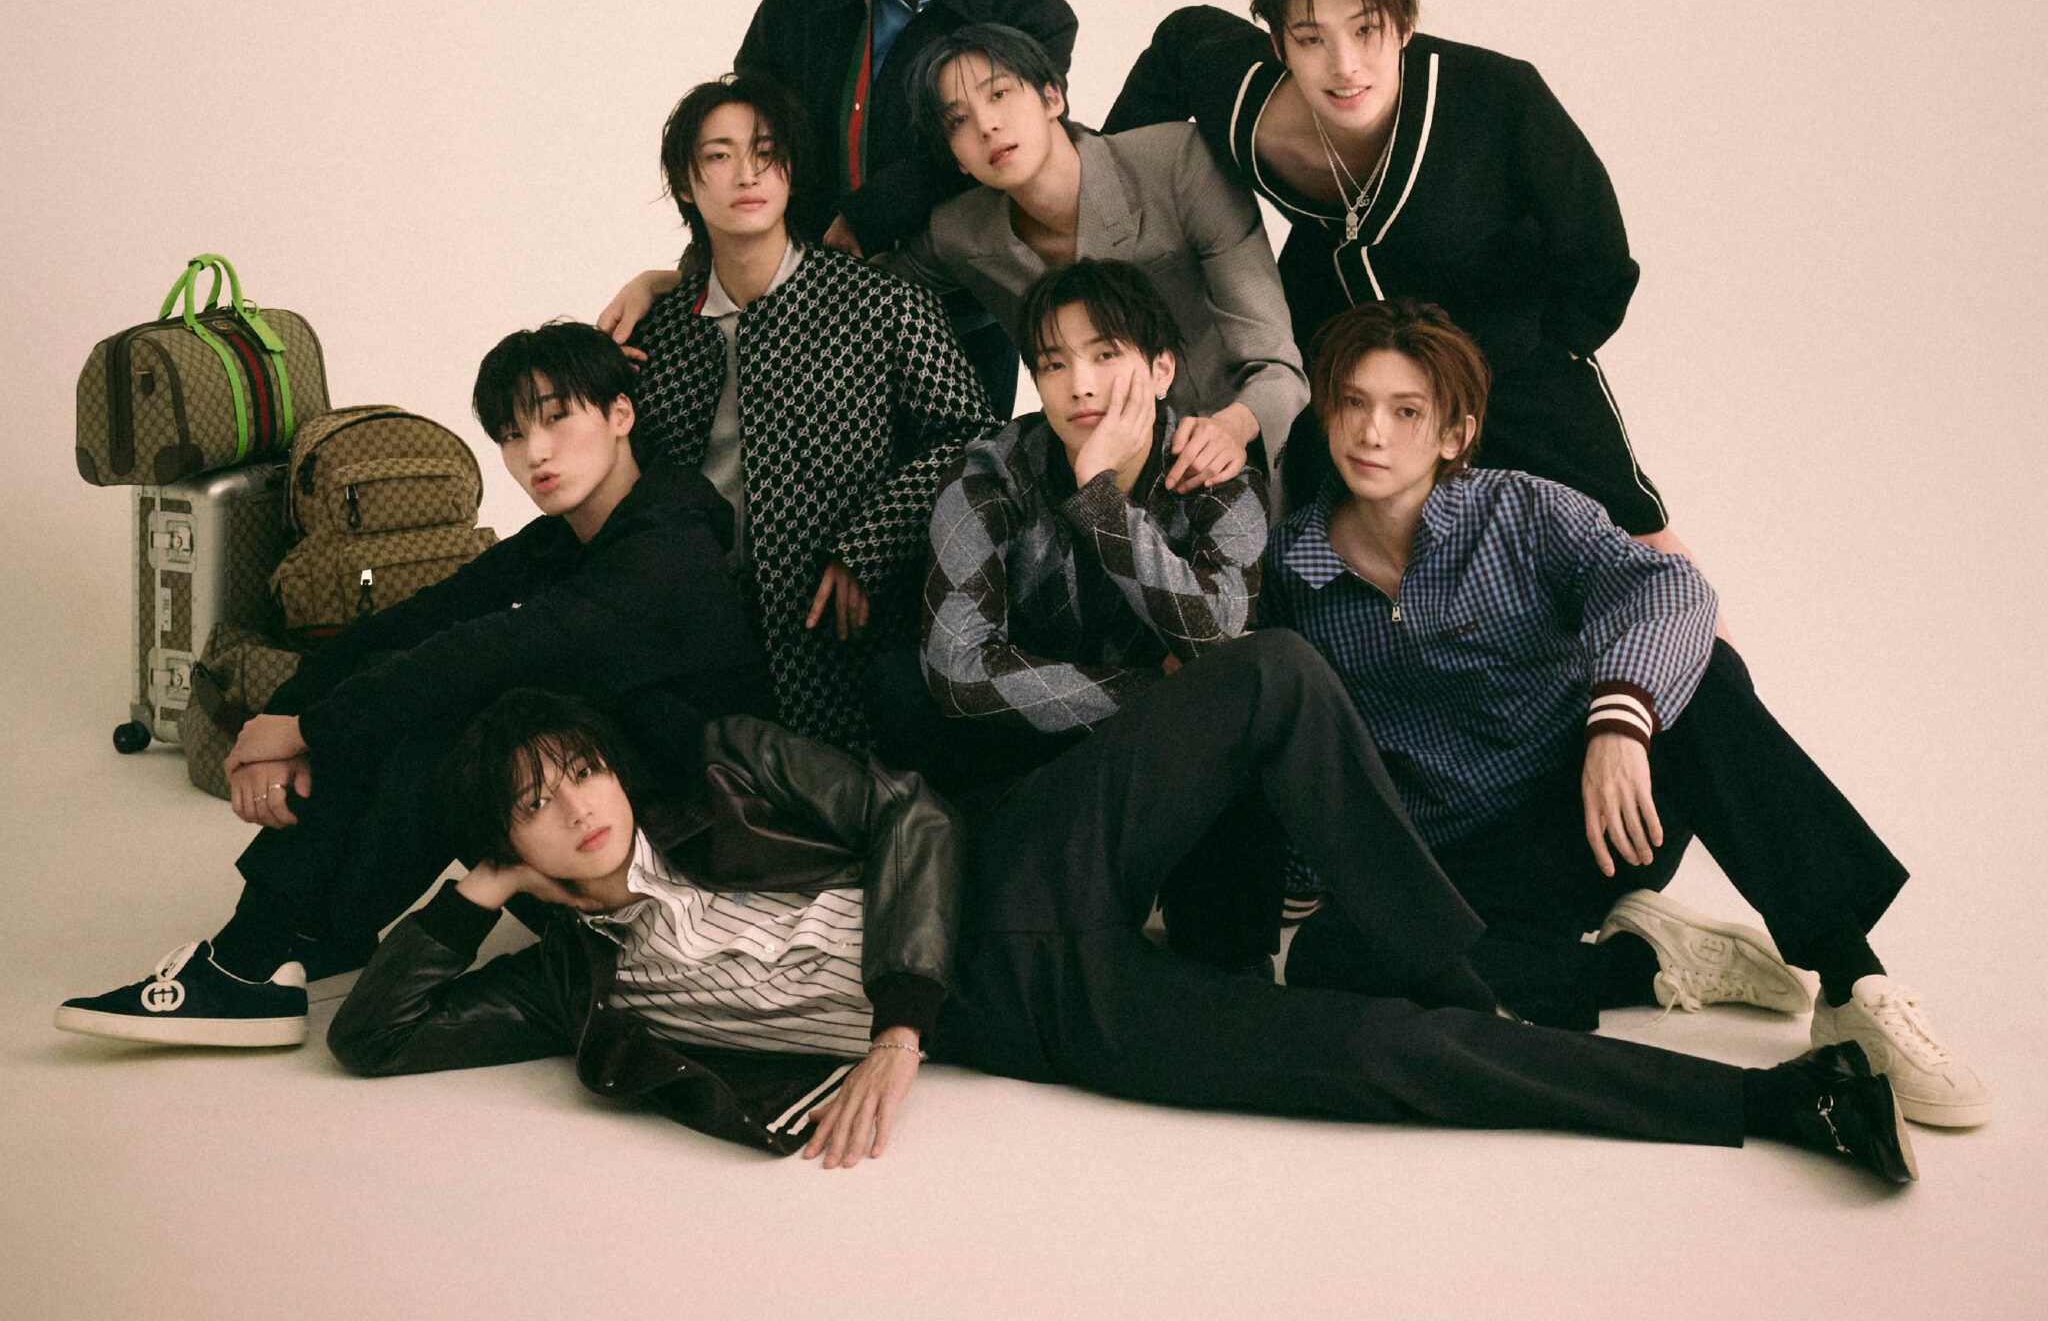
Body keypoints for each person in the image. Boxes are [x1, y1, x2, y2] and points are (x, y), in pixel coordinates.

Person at [326, 676, 1920, 1186]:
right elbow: (377, 1037)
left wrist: (899, 1023)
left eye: (582, 771)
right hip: (1043, 1011)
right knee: (1372, 1063)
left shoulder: (729, 767)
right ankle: (1781, 1102)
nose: (581, 806)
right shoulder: (575, 989)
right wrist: (470, 898)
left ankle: (1459, 968)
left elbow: (911, 817)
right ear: (511, 842)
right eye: (536, 806)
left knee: (1271, 674)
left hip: (1005, 876)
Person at [1260, 298, 1991, 1131]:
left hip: (1606, 811)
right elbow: (1301, 739)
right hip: (1466, 861)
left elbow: (1673, 589)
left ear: (1454, 435)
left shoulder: (1522, 511)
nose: (1371, 432)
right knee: (1328, 961)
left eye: (1405, 412)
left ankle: (1853, 982)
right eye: (1352, 403)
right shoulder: (1293, 566)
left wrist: (1618, 721)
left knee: (1705, 677)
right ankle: (1642, 963)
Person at [55, 322, 769, 1049]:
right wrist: (284, 717)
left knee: (453, 725)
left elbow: (487, 653)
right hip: (596, 812)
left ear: (620, 415)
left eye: (557, 418)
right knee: (410, 690)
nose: (535, 453)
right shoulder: (571, 536)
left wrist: (305, 731)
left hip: (682, 859)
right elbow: (420, 619)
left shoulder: (667, 553)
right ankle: (318, 936)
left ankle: (247, 965)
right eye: (512, 434)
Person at [1104, 0, 1676, 539]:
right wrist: (1114, 210)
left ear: (1404, 26)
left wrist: (1541, 345)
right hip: (1335, 326)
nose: (1345, 65)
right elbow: (1178, 43)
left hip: (1495, 338)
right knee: (1309, 515)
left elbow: (1598, 259)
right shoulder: (1244, 98)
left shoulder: (1497, 97)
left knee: (1627, 527)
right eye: (1311, 39)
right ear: (1281, 47)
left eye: (1366, 30)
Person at [603, 0, 1077, 418]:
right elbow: (750, 135)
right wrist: (695, 274)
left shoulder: (1030, 12)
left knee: (962, 463)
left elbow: (997, 155)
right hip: (795, 298)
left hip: (957, 304)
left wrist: (869, 215)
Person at [910, 256, 1275, 967]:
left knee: (1250, 715)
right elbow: (958, 670)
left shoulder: (1218, 477)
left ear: (1162, 370)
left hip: (1174, 771)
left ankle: (1230, 966)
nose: (1079, 384)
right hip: (1041, 764)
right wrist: (1155, 694)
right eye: (1053, 364)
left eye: (1105, 355)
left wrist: (1100, 498)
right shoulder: (991, 471)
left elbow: (1219, 653)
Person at [625, 68, 996, 760]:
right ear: (685, 183)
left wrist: (866, 546)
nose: (747, 173)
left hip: (852, 638)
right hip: (705, 646)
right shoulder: (658, 335)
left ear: (791, 172)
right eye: (719, 155)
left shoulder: (880, 303)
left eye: (767, 153)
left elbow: (972, 438)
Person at [899, 22, 1307, 493]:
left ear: (1052, 97)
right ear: (956, 159)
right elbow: (871, 290)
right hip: (1088, 478)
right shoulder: (960, 234)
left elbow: (1276, 364)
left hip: (1227, 457)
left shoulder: (1178, 162)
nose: (986, 126)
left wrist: (1233, 426)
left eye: (999, 94)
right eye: (957, 121)